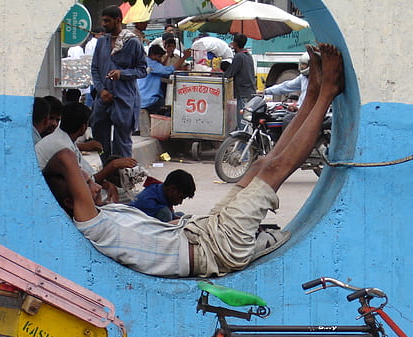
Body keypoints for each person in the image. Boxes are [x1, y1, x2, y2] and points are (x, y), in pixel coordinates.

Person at [57, 43, 344, 278]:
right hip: (216, 247)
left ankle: (312, 97)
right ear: (72, 202)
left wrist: (100, 186)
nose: (91, 182)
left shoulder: (104, 215)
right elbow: (67, 158)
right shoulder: (90, 224)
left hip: (204, 232)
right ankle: (327, 92)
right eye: (84, 183)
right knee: (274, 171)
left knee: (259, 166)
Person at [37, 102, 138, 205]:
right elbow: (85, 181)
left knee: (125, 196)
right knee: (126, 200)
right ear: (83, 127)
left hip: (59, 190)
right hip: (51, 196)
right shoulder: (63, 146)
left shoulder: (65, 139)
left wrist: (106, 184)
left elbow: (89, 176)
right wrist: (113, 165)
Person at [90, 5, 147, 158]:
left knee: (122, 143)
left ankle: (123, 178)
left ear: (118, 20)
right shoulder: (101, 42)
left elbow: (142, 70)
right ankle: (107, 174)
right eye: (103, 21)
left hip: (124, 99)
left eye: (107, 21)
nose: (104, 24)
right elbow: (95, 69)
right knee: (100, 140)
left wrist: (122, 74)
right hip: (103, 99)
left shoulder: (132, 42)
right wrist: (101, 90)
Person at [131, 169, 196, 222]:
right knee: (165, 213)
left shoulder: (163, 190)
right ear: (172, 190)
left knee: (182, 216)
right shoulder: (148, 201)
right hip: (139, 222)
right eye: (181, 198)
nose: (180, 202)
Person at [138, 45, 185, 114]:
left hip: (140, 98)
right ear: (152, 55)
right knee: (169, 106)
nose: (160, 59)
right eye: (159, 57)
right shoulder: (152, 64)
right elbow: (169, 70)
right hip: (149, 100)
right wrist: (184, 57)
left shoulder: (145, 62)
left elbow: (163, 69)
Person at [226, 34, 257, 128]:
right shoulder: (248, 55)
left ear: (235, 44)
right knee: (247, 121)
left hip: (243, 93)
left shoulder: (239, 56)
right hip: (250, 92)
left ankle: (243, 142)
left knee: (242, 122)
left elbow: (229, 73)